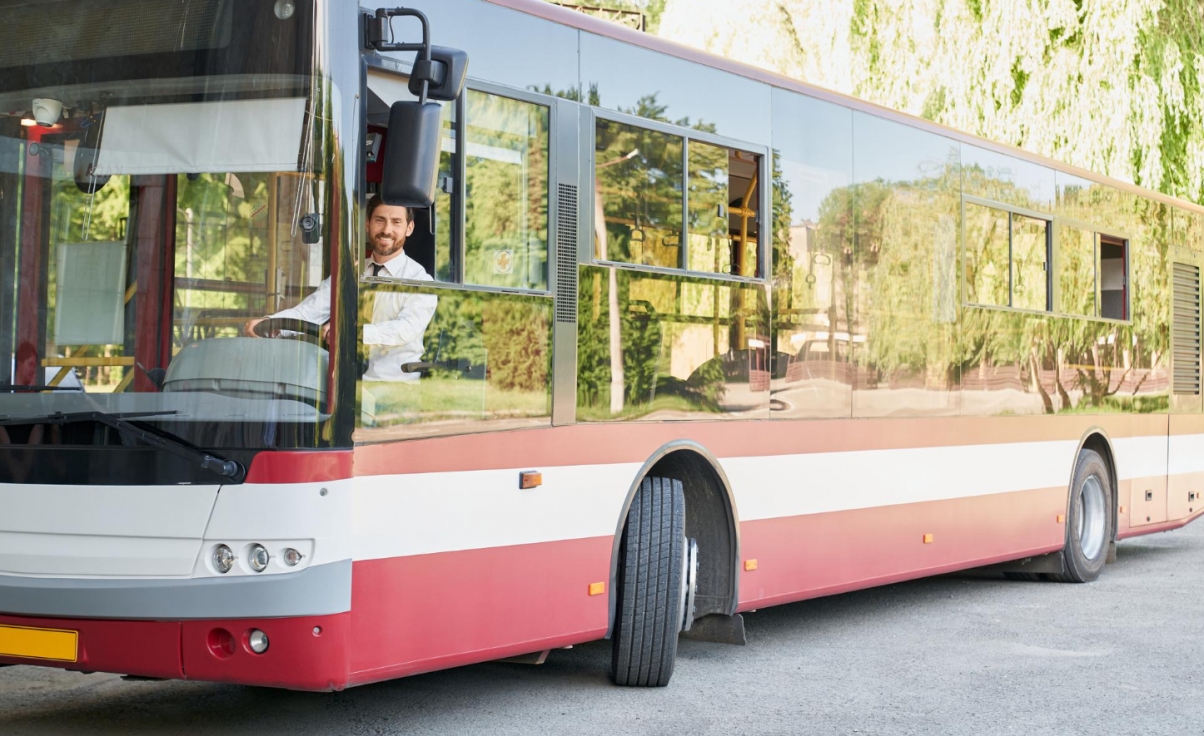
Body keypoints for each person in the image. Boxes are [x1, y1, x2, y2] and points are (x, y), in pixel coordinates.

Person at [244, 195, 437, 382]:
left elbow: (404, 329)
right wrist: (271, 322)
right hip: (343, 389)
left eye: (396, 222)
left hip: (391, 391)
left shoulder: (420, 280)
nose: (386, 230)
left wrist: (350, 333)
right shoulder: (349, 272)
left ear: (409, 228)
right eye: (380, 220)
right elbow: (310, 311)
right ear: (368, 224)